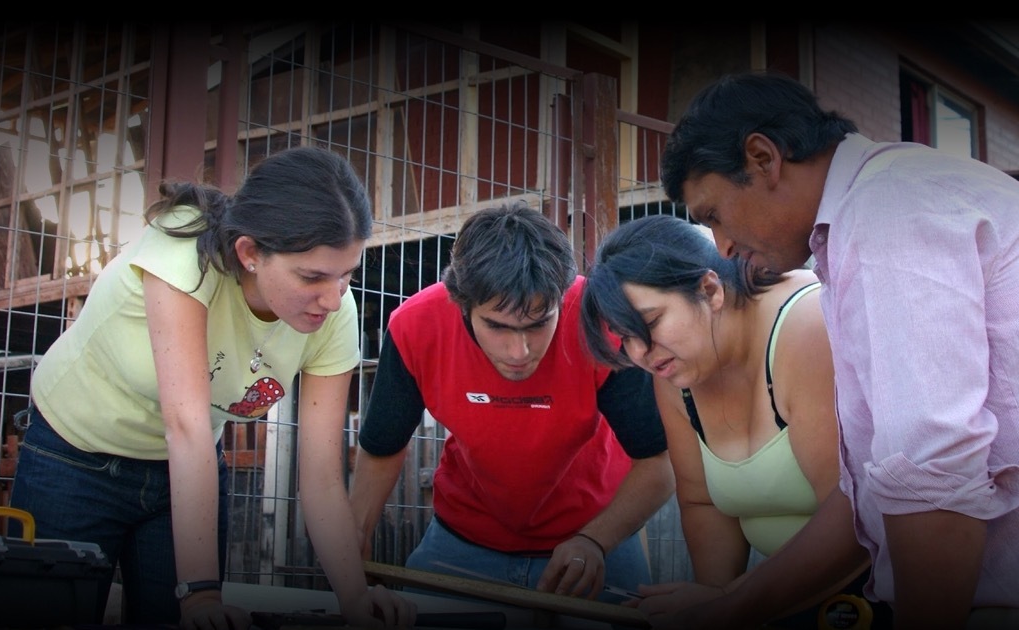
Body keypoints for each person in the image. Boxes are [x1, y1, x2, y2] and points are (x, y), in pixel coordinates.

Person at [639, 70, 1019, 630]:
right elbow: (875, 489)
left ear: (763, 158)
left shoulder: (888, 209)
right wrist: (728, 606)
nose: (720, 246)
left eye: (714, 214)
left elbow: (931, 470)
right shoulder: (893, 194)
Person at [9, 146, 417, 630]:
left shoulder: (335, 313)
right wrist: (200, 595)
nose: (332, 299)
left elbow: (323, 478)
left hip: (182, 475)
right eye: (312, 276)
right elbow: (186, 426)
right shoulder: (184, 250)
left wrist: (354, 596)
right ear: (249, 254)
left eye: (347, 274)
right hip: (74, 456)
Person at [348, 202, 674, 607]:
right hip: (463, 538)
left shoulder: (599, 318)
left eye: (538, 324)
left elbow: (658, 463)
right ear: (461, 304)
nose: (519, 351)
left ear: (562, 297)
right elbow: (382, 447)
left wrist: (594, 541)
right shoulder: (415, 326)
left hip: (593, 536)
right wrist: (354, 540)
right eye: (497, 326)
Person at [579, 213, 891, 628]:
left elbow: (854, 512)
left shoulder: (806, 326)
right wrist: (709, 598)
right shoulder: (670, 365)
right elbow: (701, 500)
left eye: (651, 323)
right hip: (773, 597)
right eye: (626, 335)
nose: (640, 353)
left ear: (709, 289)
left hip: (879, 589)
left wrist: (729, 602)